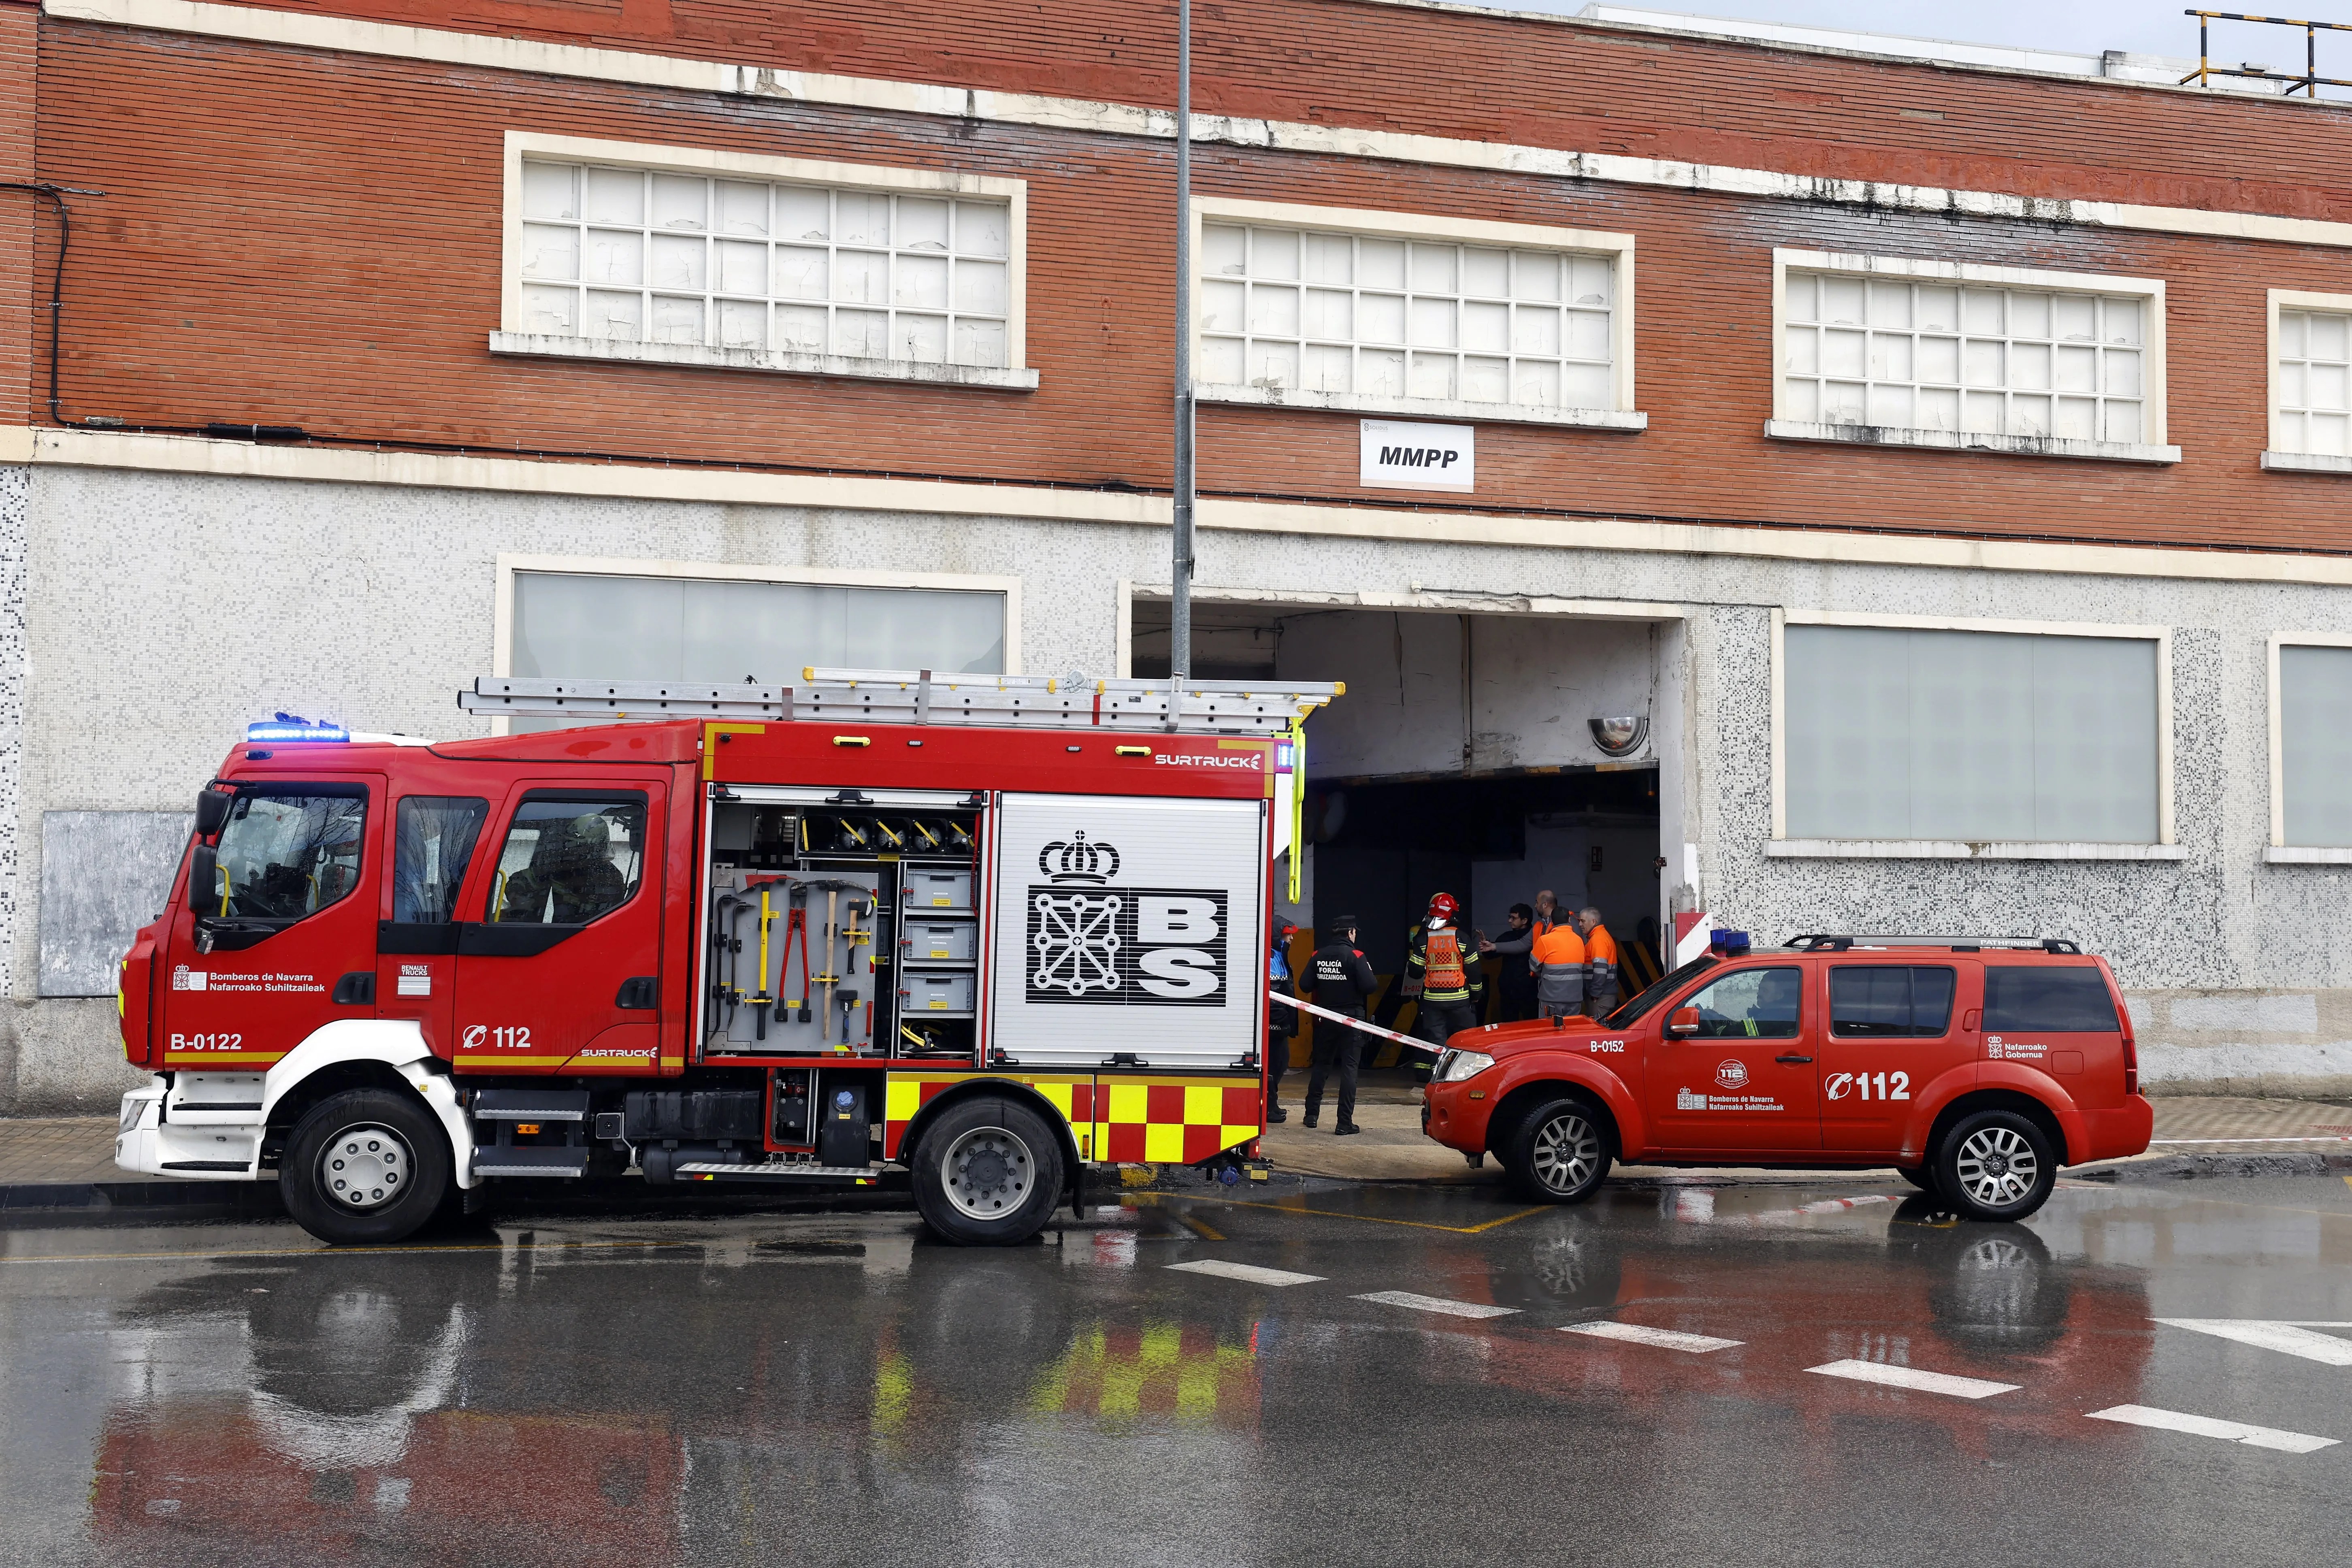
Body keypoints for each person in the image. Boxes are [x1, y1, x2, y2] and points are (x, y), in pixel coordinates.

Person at [1304, 916, 1379, 1134]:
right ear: (1350, 933)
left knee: (1321, 1065)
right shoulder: (1356, 956)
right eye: (1355, 933)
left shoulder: (1317, 955)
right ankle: (1344, 1123)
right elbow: (1371, 986)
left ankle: (1311, 1115)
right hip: (1351, 1020)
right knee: (1349, 1069)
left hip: (1326, 1017)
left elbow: (1305, 985)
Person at [1407, 893, 1483, 1071]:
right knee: (1465, 1038)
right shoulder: (1462, 938)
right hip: (1460, 1000)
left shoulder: (1423, 939)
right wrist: (1476, 994)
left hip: (1432, 1002)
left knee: (1436, 1041)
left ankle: (1439, 1075)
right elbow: (1474, 970)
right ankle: (1464, 1075)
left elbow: (1415, 973)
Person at [1483, 903, 1538, 1023]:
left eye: (1513, 918)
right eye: (1510, 917)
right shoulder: (1507, 937)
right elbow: (1490, 956)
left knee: (1532, 1025)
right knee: (1508, 1025)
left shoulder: (1537, 937)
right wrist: (1485, 946)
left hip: (1529, 992)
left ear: (1524, 920)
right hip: (1508, 992)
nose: (1509, 921)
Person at [1266, 925, 1300, 1123]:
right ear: (1278, 936)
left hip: (1282, 1022)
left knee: (1281, 1063)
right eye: (1288, 935)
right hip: (1273, 1024)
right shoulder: (1269, 957)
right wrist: (1279, 1018)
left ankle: (1272, 1104)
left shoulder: (1280, 955)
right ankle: (1268, 1108)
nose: (1292, 939)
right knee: (1274, 1065)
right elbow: (1271, 994)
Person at [1530, 915, 1588, 1020]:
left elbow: (1533, 966)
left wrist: (1543, 974)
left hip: (1551, 998)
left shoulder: (1544, 940)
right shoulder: (1579, 940)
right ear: (1569, 920)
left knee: (1549, 1029)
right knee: (1571, 1029)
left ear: (1552, 922)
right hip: (1574, 998)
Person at [1580, 906, 1621, 1018]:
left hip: (1601, 996)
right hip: (1602, 994)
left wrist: (1595, 994)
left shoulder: (1599, 940)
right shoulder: (1599, 937)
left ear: (1593, 922)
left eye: (1583, 921)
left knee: (1598, 1025)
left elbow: (1600, 970)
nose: (1580, 924)